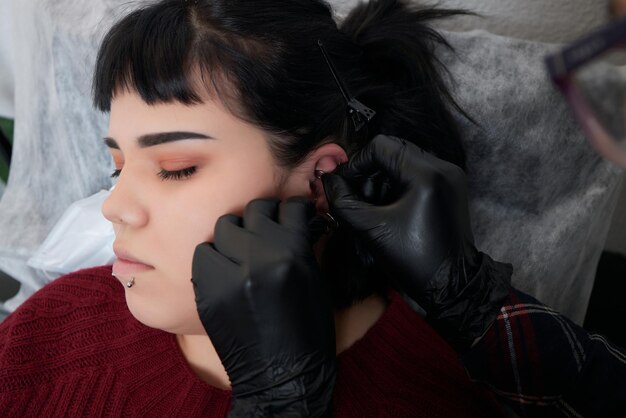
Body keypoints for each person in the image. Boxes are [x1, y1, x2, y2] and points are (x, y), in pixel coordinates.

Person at [0, 0, 504, 416]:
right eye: (118, 166)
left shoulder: (430, 396)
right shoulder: (47, 332)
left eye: (175, 167)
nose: (115, 207)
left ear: (319, 180)